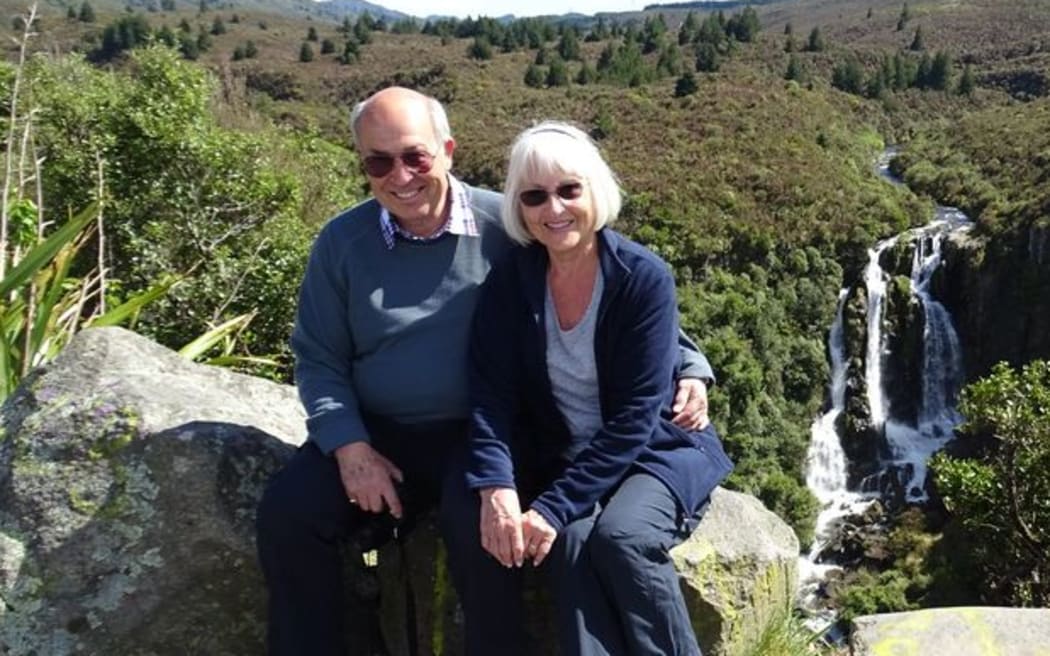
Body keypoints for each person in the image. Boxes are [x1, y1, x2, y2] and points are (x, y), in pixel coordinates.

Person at [255, 88, 716, 655]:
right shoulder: (342, 243)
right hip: (379, 432)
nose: (400, 176)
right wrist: (349, 447)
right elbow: (319, 357)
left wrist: (692, 365)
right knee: (287, 516)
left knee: (485, 531)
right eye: (378, 162)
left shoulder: (513, 221)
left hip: (482, 431)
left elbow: (620, 289)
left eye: (415, 156)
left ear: (447, 151)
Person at [440, 122, 734, 656]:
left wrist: (551, 506)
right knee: (571, 545)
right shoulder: (511, 282)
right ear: (519, 208)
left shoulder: (643, 279)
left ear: (593, 190)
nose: (553, 208)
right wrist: (496, 486)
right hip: (572, 458)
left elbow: (637, 417)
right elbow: (492, 395)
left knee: (624, 539)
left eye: (568, 190)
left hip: (655, 451)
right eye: (535, 196)